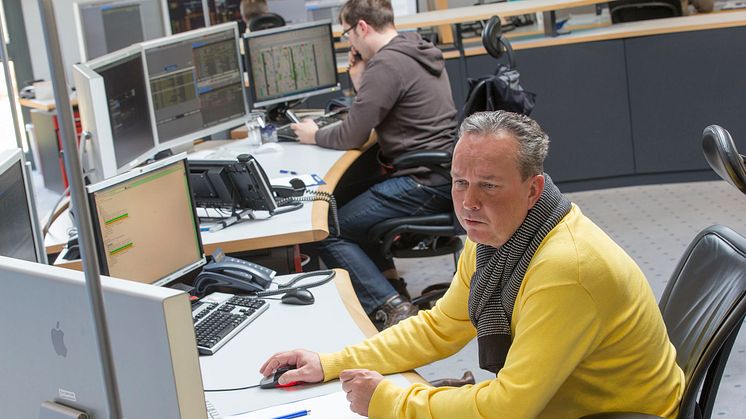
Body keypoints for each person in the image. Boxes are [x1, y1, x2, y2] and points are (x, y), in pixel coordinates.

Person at [260, 111, 685, 418]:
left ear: (533, 188)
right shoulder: (499, 237)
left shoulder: (565, 270)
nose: (468, 204)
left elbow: (508, 408)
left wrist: (390, 401)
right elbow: (441, 327)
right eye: (460, 183)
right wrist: (329, 362)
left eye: (489, 186)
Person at [293, 0, 458, 328]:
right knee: (342, 205)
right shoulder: (414, 47)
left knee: (325, 227)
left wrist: (313, 135)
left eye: (347, 34)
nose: (349, 43)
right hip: (441, 175)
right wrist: (361, 81)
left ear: (362, 27)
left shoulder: (386, 64)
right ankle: (393, 289)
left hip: (422, 182)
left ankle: (392, 307)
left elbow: (354, 134)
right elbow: (376, 111)